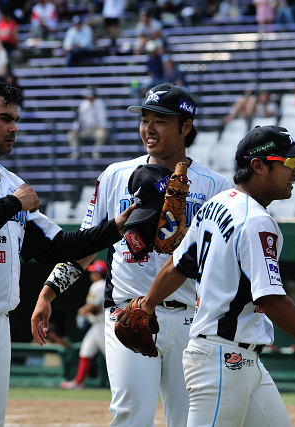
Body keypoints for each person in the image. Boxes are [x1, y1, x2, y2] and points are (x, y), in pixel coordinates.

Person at [0, 79, 133, 427]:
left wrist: (114, 228)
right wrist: (14, 203)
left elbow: (55, 246)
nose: (14, 127)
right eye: (4, 118)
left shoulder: (8, 180)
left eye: (16, 118)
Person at [32, 83, 233, 427]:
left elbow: (222, 261)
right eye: (145, 119)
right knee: (130, 415)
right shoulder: (115, 176)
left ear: (186, 126)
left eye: (161, 120)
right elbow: (86, 245)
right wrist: (48, 293)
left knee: (189, 420)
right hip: (128, 312)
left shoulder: (215, 186)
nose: (148, 128)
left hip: (191, 319)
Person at [124, 125, 295, 426]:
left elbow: (178, 266)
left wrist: (147, 304)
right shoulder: (256, 220)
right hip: (221, 360)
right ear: (258, 166)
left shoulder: (217, 203)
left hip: (242, 360)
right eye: (290, 163)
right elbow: (271, 300)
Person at [60, 260, 107, 390]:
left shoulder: (99, 285)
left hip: (102, 325)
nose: (91, 274)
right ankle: (78, 382)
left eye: (94, 272)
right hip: (96, 325)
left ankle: (124, 382)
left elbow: (93, 307)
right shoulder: (101, 285)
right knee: (85, 351)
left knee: (110, 355)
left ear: (100, 273)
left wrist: (82, 312)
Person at [67, 86, 108, 160]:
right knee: (71, 135)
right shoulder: (83, 104)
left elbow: (103, 117)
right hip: (86, 129)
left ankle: (96, 152)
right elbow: (79, 118)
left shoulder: (100, 103)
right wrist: (74, 129)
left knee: (101, 134)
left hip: (97, 128)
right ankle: (75, 152)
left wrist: (103, 127)